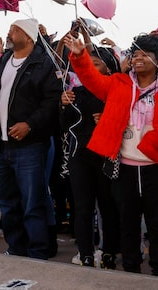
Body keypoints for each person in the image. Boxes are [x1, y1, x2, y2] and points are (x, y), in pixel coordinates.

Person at [64, 32, 158, 278]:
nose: (138, 58)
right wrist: (80, 57)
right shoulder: (118, 83)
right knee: (128, 224)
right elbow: (91, 79)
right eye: (135, 53)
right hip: (124, 167)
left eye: (146, 54)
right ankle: (130, 273)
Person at [0, 18, 62, 259]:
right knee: (7, 202)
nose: (10, 32)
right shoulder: (1, 63)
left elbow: (52, 101)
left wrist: (30, 124)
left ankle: (39, 249)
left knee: (32, 201)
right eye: (10, 29)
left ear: (29, 36)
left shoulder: (42, 64)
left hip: (30, 145)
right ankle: (16, 248)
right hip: (1, 146)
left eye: (15, 29)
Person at [58, 23, 121, 270]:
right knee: (82, 208)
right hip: (80, 154)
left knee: (108, 206)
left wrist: (109, 117)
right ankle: (85, 253)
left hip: (106, 155)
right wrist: (63, 105)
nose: (91, 68)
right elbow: (64, 126)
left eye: (97, 64)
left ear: (108, 67)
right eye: (88, 64)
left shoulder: (116, 91)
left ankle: (109, 253)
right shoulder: (76, 92)